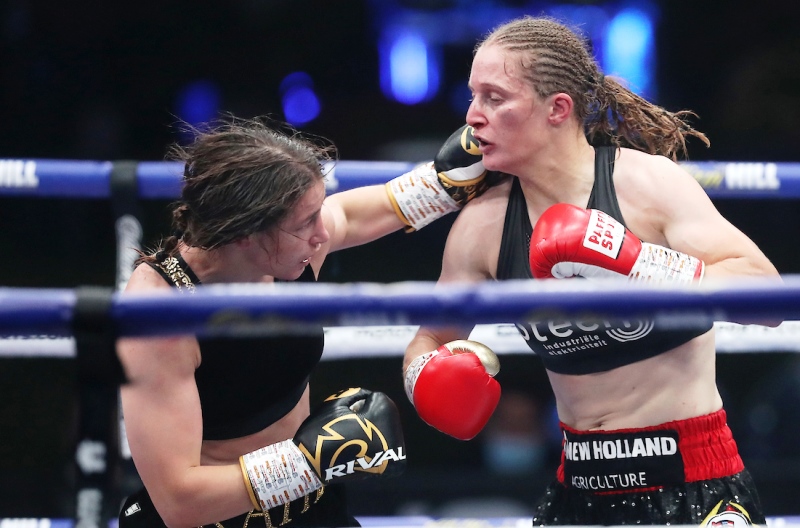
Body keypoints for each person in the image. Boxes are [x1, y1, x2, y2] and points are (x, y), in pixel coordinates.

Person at [402, 15, 780, 526]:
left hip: (693, 482)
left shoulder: (646, 185)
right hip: (577, 491)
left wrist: (639, 264)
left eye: (494, 98)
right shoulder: (483, 227)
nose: (472, 116)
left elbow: (766, 297)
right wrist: (424, 378)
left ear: (558, 109)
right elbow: (431, 338)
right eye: (473, 96)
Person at [116, 114, 494, 528]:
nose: (322, 233)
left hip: (311, 505)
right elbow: (178, 502)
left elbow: (350, 215)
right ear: (245, 233)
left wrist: (441, 184)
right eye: (305, 222)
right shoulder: (160, 313)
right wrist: (308, 461)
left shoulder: (283, 251)